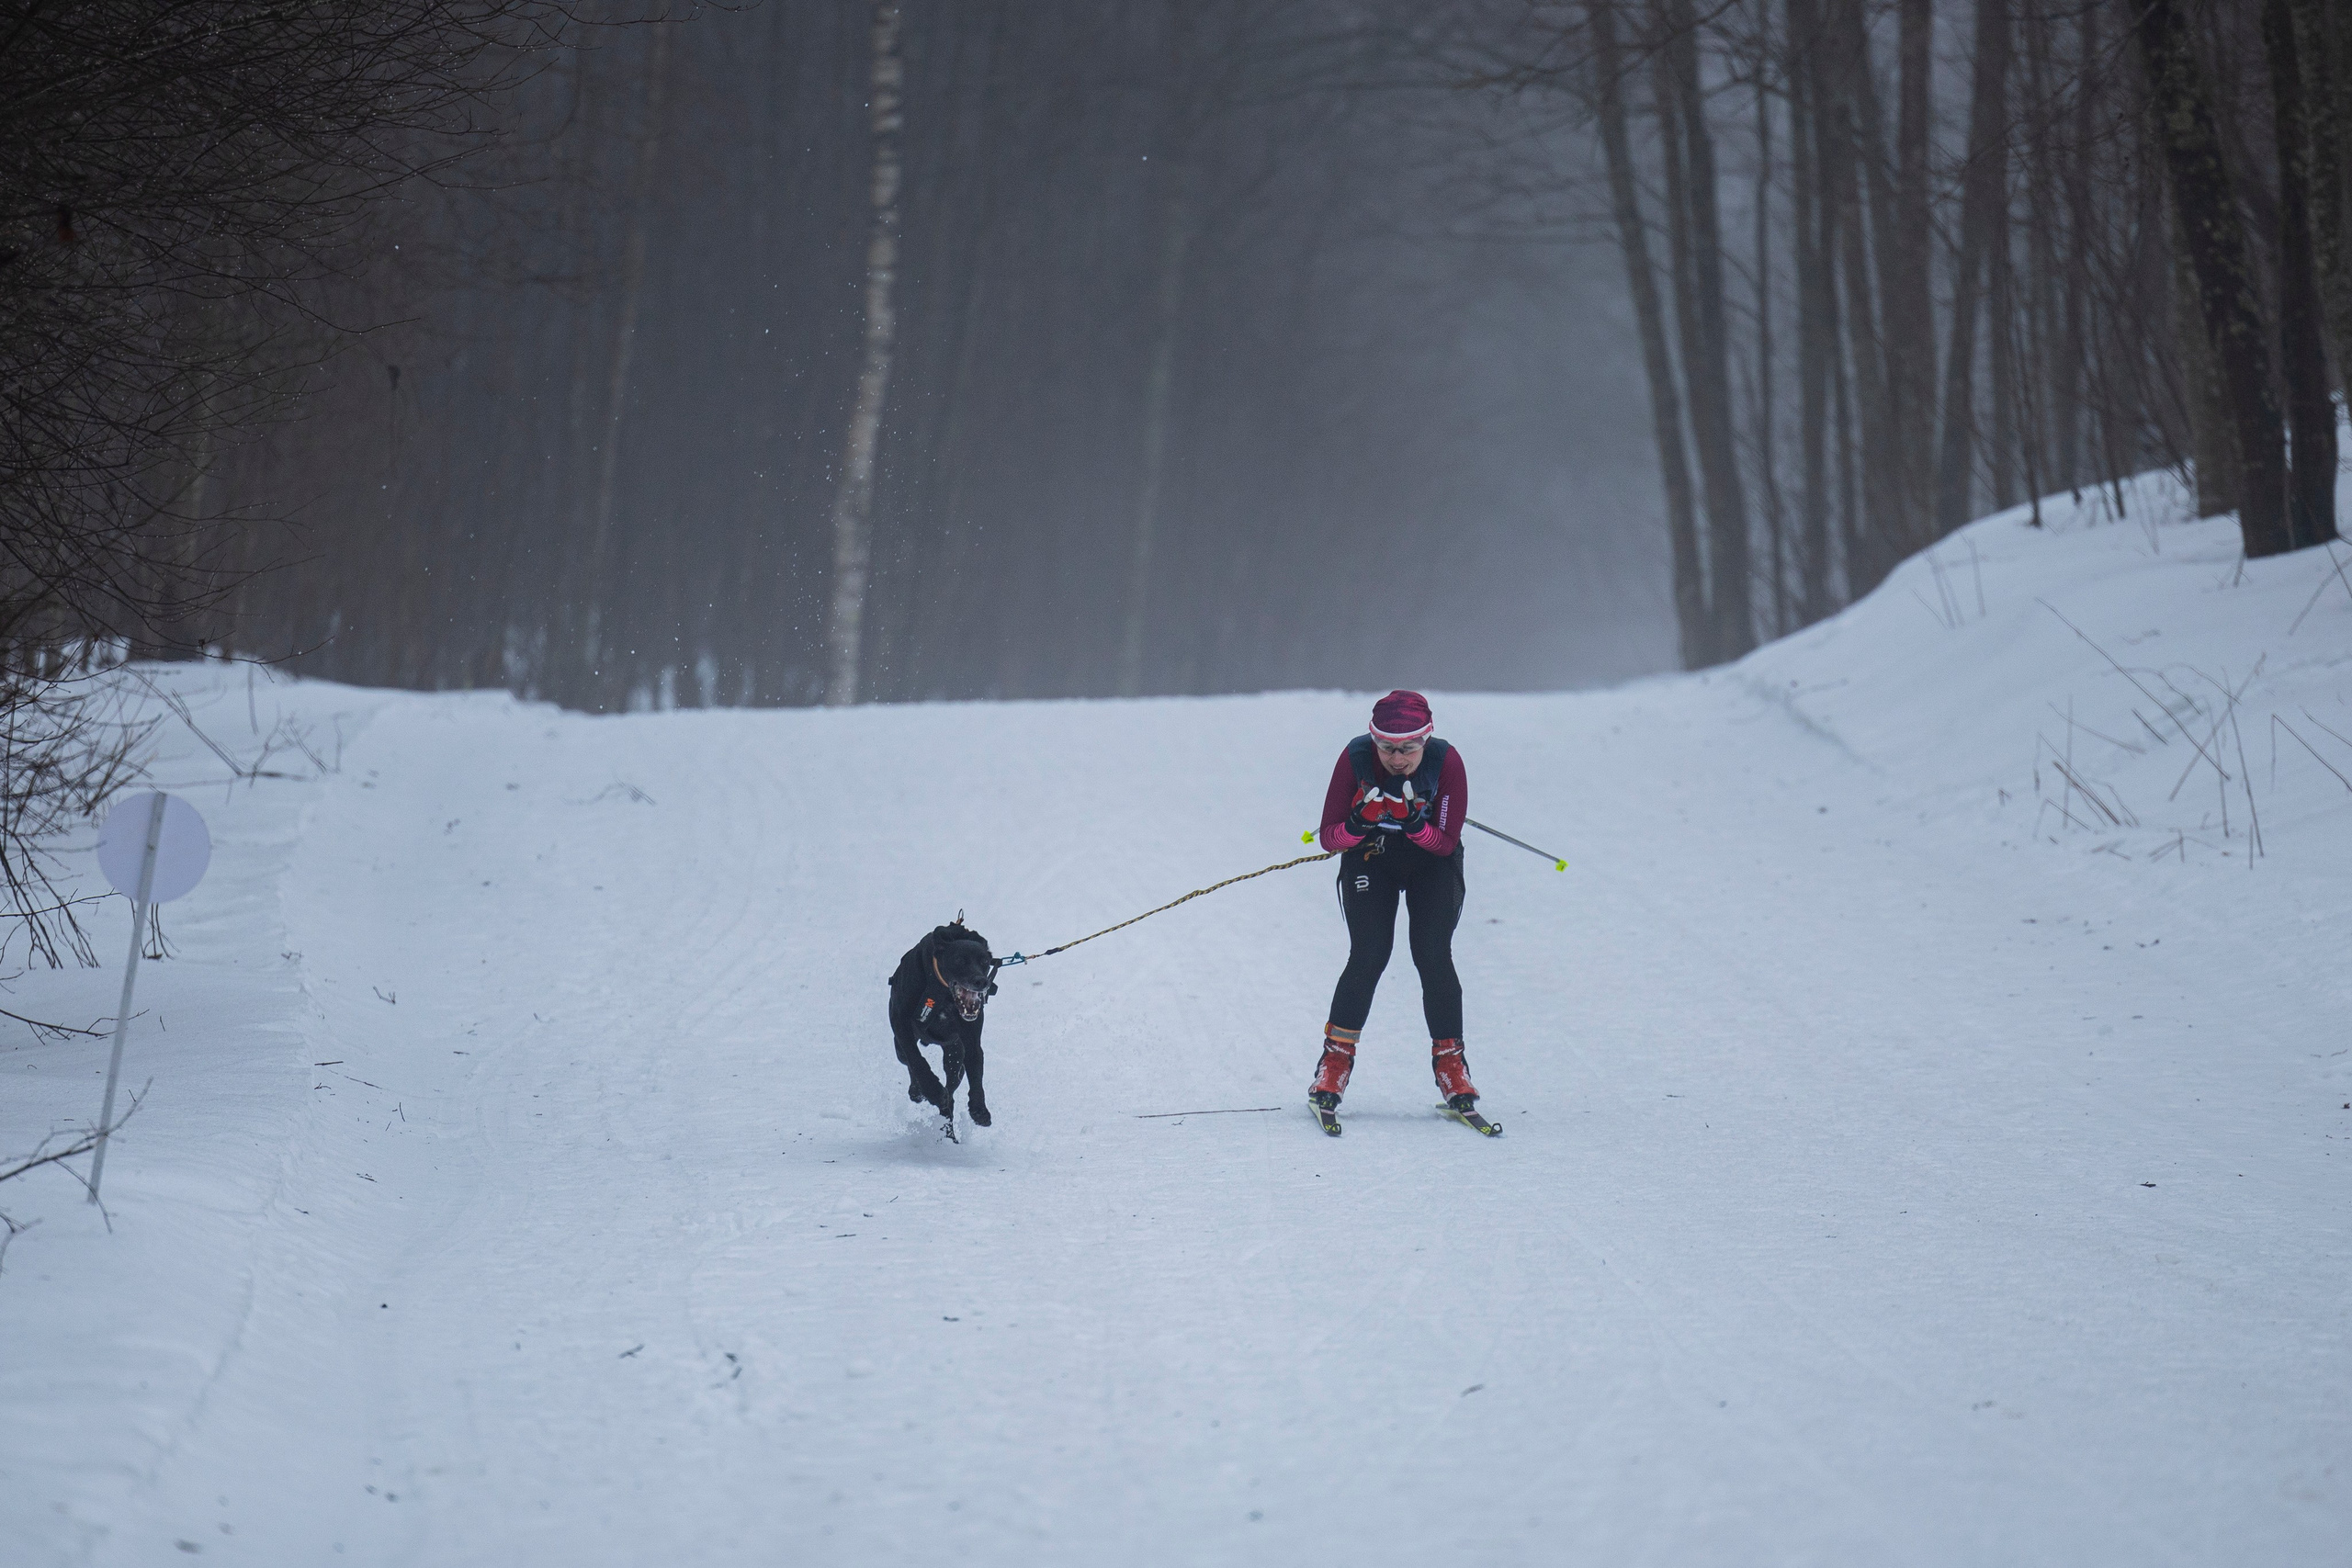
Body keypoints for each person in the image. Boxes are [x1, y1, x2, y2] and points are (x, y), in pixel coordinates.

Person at [1308, 689, 1477, 1114]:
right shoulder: (1355, 758)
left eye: (1408, 748)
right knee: (1368, 954)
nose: (1397, 759)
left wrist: (1414, 823)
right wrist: (1358, 823)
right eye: (1386, 748)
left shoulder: (1446, 762)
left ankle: (1451, 1066)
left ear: (1427, 740)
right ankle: (1334, 1063)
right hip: (1372, 859)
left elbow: (1443, 844)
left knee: (1432, 954)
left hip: (1431, 864)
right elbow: (1328, 838)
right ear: (1373, 740)